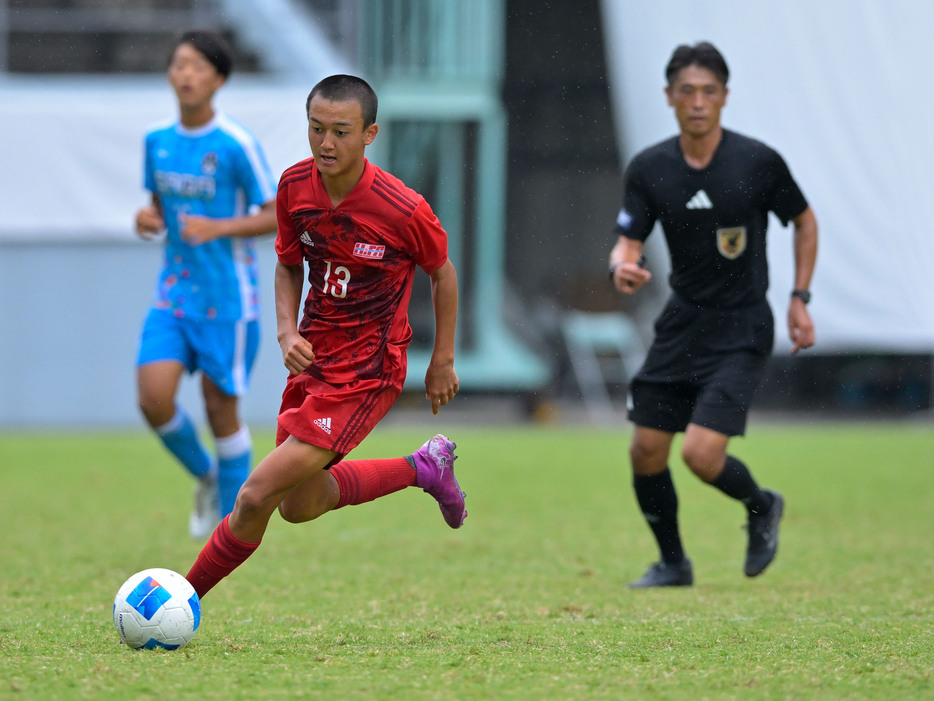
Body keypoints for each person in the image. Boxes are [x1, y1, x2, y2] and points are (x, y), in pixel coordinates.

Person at [183, 74, 465, 600]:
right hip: (312, 360)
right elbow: (288, 265)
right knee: (300, 504)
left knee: (255, 496)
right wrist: (286, 330)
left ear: (369, 134)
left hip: (366, 370)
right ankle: (423, 468)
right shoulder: (294, 187)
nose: (326, 143)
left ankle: (182, 596)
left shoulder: (402, 208)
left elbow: (443, 273)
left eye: (340, 131)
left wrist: (442, 359)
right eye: (316, 129)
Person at [608, 42, 818, 587]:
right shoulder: (651, 167)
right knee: (646, 450)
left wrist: (800, 297)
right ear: (669, 98)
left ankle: (761, 505)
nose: (697, 102)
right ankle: (673, 563)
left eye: (708, 92)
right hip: (681, 325)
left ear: (724, 97)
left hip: (742, 325)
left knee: (701, 455)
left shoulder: (757, 162)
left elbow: (805, 220)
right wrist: (623, 267)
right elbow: (626, 241)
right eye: (686, 92)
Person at [134, 30, 278, 539]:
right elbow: (158, 205)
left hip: (229, 299)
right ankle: (207, 478)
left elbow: (276, 213)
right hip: (173, 294)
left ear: (218, 79)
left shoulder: (235, 144)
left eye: (197, 66)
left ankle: (230, 532)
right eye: (179, 64)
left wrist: (218, 227)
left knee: (222, 412)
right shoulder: (157, 140)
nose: (186, 74)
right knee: (153, 398)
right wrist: (147, 218)